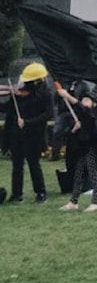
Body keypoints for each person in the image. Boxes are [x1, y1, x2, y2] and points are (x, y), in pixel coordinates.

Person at [0, 63, 53, 203]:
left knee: (33, 164)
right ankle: (17, 195)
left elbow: (48, 114)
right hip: (16, 134)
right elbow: (7, 108)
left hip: (34, 134)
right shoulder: (19, 94)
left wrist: (28, 122)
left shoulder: (45, 94)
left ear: (38, 81)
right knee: (16, 165)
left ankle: (41, 193)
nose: (23, 85)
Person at [55, 86, 97, 212]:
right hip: (81, 149)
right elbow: (71, 135)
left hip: (91, 149)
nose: (84, 101)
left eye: (87, 100)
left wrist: (67, 95)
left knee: (93, 174)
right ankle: (74, 201)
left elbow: (82, 108)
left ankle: (95, 202)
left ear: (94, 104)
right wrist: (74, 129)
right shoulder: (79, 116)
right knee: (78, 175)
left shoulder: (92, 114)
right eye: (83, 99)